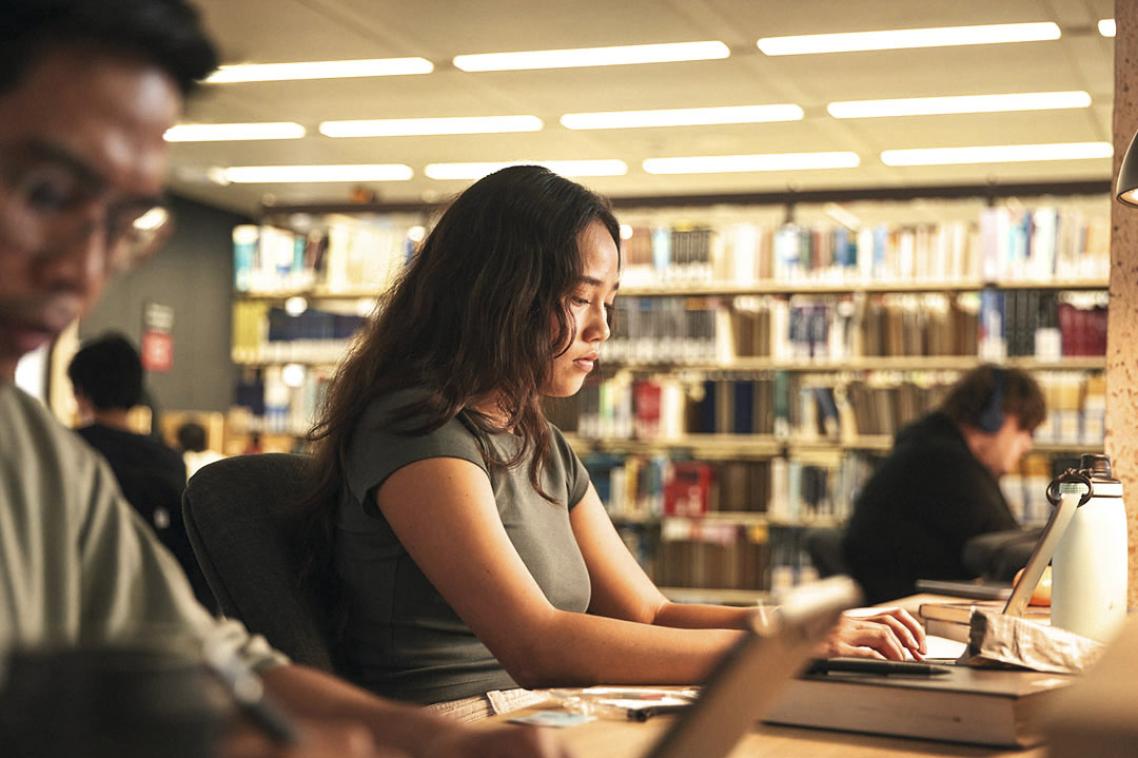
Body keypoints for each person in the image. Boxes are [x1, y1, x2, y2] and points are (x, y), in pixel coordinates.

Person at [0, 2, 566, 756]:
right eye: (44, 194)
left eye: (121, 224)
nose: (81, 273)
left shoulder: (34, 449)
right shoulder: (416, 429)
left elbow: (214, 662)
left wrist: (430, 743)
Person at [306, 165, 925, 721]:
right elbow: (537, 646)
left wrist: (795, 629)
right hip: (458, 722)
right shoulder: (416, 432)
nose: (604, 328)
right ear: (497, 295)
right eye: (580, 298)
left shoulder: (536, 439)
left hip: (550, 710)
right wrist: (775, 649)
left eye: (610, 300)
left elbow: (649, 614)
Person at [841, 365, 1046, 604]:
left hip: (902, 600)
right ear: (994, 418)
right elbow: (1005, 550)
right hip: (905, 610)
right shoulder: (945, 462)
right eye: (1025, 429)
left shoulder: (929, 446)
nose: (1027, 446)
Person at [67, 332, 217, 608]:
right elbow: (188, 551)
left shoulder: (64, 451)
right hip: (155, 607)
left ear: (79, 393)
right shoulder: (167, 460)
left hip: (76, 604)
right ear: (137, 393)